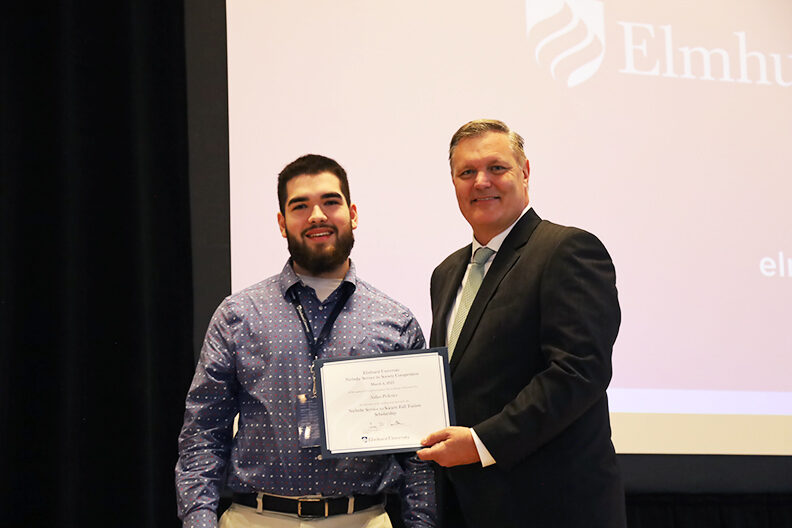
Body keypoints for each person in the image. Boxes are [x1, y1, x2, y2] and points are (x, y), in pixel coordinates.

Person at [176, 154, 436, 528]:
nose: (317, 215)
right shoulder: (238, 315)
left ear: (353, 214)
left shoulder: (395, 322)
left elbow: (418, 454)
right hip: (256, 519)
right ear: (282, 223)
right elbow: (202, 434)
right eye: (300, 206)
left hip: (362, 520)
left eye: (330, 202)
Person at [416, 119, 626, 527]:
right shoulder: (446, 273)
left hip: (553, 509)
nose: (481, 182)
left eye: (497, 168)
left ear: (525, 172)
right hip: (467, 507)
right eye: (467, 173)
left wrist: (480, 443)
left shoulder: (567, 249)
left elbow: (578, 371)